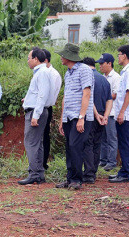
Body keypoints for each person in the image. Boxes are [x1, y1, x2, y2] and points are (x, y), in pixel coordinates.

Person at [56, 43, 94, 190]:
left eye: (62, 55)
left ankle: (77, 180)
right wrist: (61, 119)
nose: (60, 58)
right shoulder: (68, 72)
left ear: (68, 56)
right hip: (68, 116)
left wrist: (81, 117)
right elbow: (66, 96)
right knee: (69, 147)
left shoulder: (84, 70)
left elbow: (87, 93)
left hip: (80, 117)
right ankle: (70, 178)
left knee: (75, 146)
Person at [18, 47, 51, 185]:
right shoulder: (40, 72)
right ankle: (38, 173)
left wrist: (35, 115)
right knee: (37, 143)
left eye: (29, 58)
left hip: (36, 111)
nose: (28, 61)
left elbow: (42, 95)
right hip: (36, 110)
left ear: (36, 59)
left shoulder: (42, 73)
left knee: (31, 143)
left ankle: (34, 173)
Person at [109, 45, 129, 183]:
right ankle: (123, 171)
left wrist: (121, 112)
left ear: (125, 56)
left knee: (125, 144)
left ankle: (125, 173)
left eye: (119, 54)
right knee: (123, 143)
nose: (118, 57)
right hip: (125, 114)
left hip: (126, 115)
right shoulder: (126, 71)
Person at [81, 57, 112, 184]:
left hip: (90, 114)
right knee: (97, 143)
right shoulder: (104, 80)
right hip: (102, 114)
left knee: (88, 143)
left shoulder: (88, 78)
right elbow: (109, 99)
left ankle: (88, 174)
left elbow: (88, 98)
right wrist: (105, 115)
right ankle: (93, 172)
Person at [97, 53, 120, 171]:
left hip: (111, 113)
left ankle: (112, 162)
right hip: (103, 112)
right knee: (103, 138)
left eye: (102, 64)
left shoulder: (116, 77)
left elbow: (115, 94)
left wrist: (103, 97)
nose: (100, 66)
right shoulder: (102, 77)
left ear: (109, 64)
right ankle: (103, 160)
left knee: (111, 138)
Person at [42, 48, 61, 171]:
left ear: (44, 60)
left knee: (44, 136)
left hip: (46, 108)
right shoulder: (42, 72)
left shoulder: (53, 74)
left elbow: (50, 94)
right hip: (40, 107)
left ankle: (43, 163)